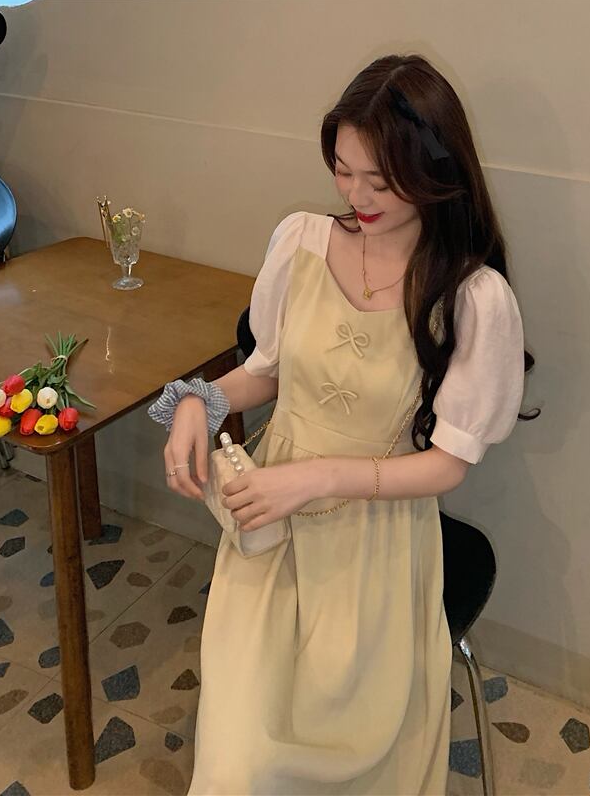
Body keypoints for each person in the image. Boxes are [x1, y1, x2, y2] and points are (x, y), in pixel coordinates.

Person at [148, 52, 534, 796]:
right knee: (239, 766)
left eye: (380, 181)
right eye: (342, 170)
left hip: (374, 544)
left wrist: (314, 478)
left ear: (434, 171)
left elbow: (448, 464)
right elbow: (267, 371)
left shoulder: (470, 295)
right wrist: (196, 399)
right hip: (268, 532)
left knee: (350, 752)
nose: (357, 196)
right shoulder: (300, 241)